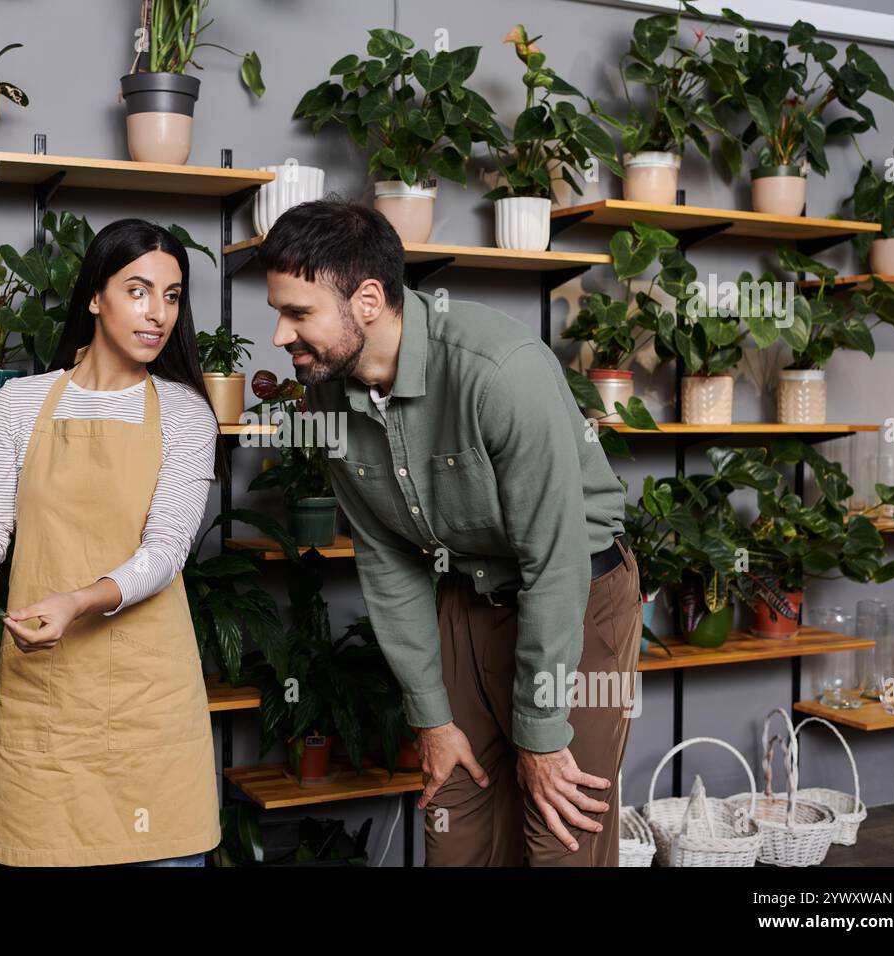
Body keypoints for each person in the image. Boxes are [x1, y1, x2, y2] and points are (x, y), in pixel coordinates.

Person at [257, 198, 643, 866]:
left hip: (575, 598)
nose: (279, 335)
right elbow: (385, 559)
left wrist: (544, 736)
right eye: (278, 312)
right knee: (452, 826)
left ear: (369, 300)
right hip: (468, 600)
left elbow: (554, 563)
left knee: (558, 839)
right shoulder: (325, 391)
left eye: (299, 313)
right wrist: (431, 718)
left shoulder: (500, 372)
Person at [0, 218, 223, 867]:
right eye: (139, 290)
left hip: (150, 699)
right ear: (95, 295)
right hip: (46, 696)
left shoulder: (184, 412)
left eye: (173, 296)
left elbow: (165, 551)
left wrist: (77, 601)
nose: (158, 313)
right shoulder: (19, 403)